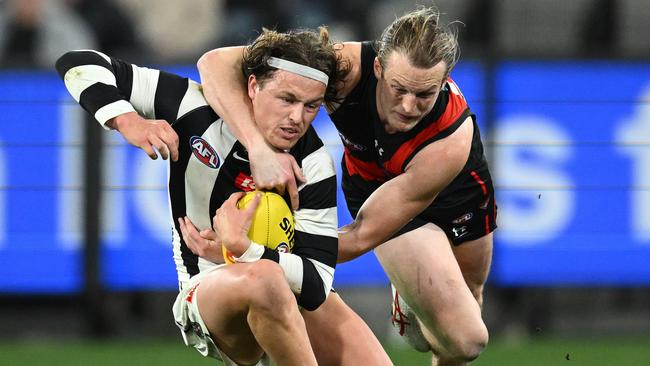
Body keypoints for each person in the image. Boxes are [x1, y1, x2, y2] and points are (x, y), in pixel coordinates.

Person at [56, 27, 392, 366]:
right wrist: (127, 120)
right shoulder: (193, 107)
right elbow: (77, 63)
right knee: (265, 279)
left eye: (311, 106)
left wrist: (240, 249)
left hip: (280, 285)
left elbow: (317, 283)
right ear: (253, 86)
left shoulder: (313, 162)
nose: (297, 118)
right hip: (207, 286)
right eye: (287, 99)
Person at [196, 6, 495, 366]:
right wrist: (258, 149)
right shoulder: (343, 66)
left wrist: (258, 250)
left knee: (463, 332)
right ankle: (421, 299)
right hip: (378, 186)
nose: (407, 106)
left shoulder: (450, 142)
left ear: (445, 80)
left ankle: (419, 305)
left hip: (457, 191)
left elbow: (360, 239)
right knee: (469, 341)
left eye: (424, 95)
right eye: (398, 89)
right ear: (378, 68)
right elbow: (214, 63)